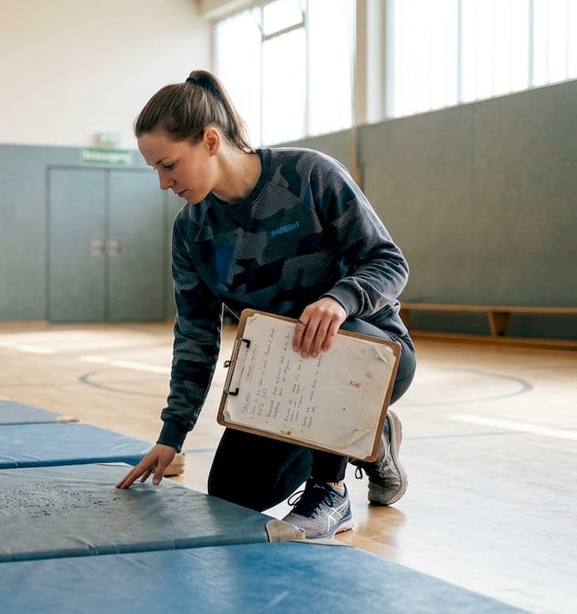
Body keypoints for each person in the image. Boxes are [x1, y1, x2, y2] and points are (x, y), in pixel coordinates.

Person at [116, 70, 417, 540]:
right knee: (233, 492)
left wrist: (340, 300)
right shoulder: (191, 232)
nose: (163, 182)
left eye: (169, 165)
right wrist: (171, 435)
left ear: (210, 141)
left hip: (371, 352)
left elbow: (388, 262)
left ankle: (330, 490)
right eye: (155, 169)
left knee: (329, 347)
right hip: (280, 379)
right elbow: (195, 336)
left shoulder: (310, 175)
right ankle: (372, 439)